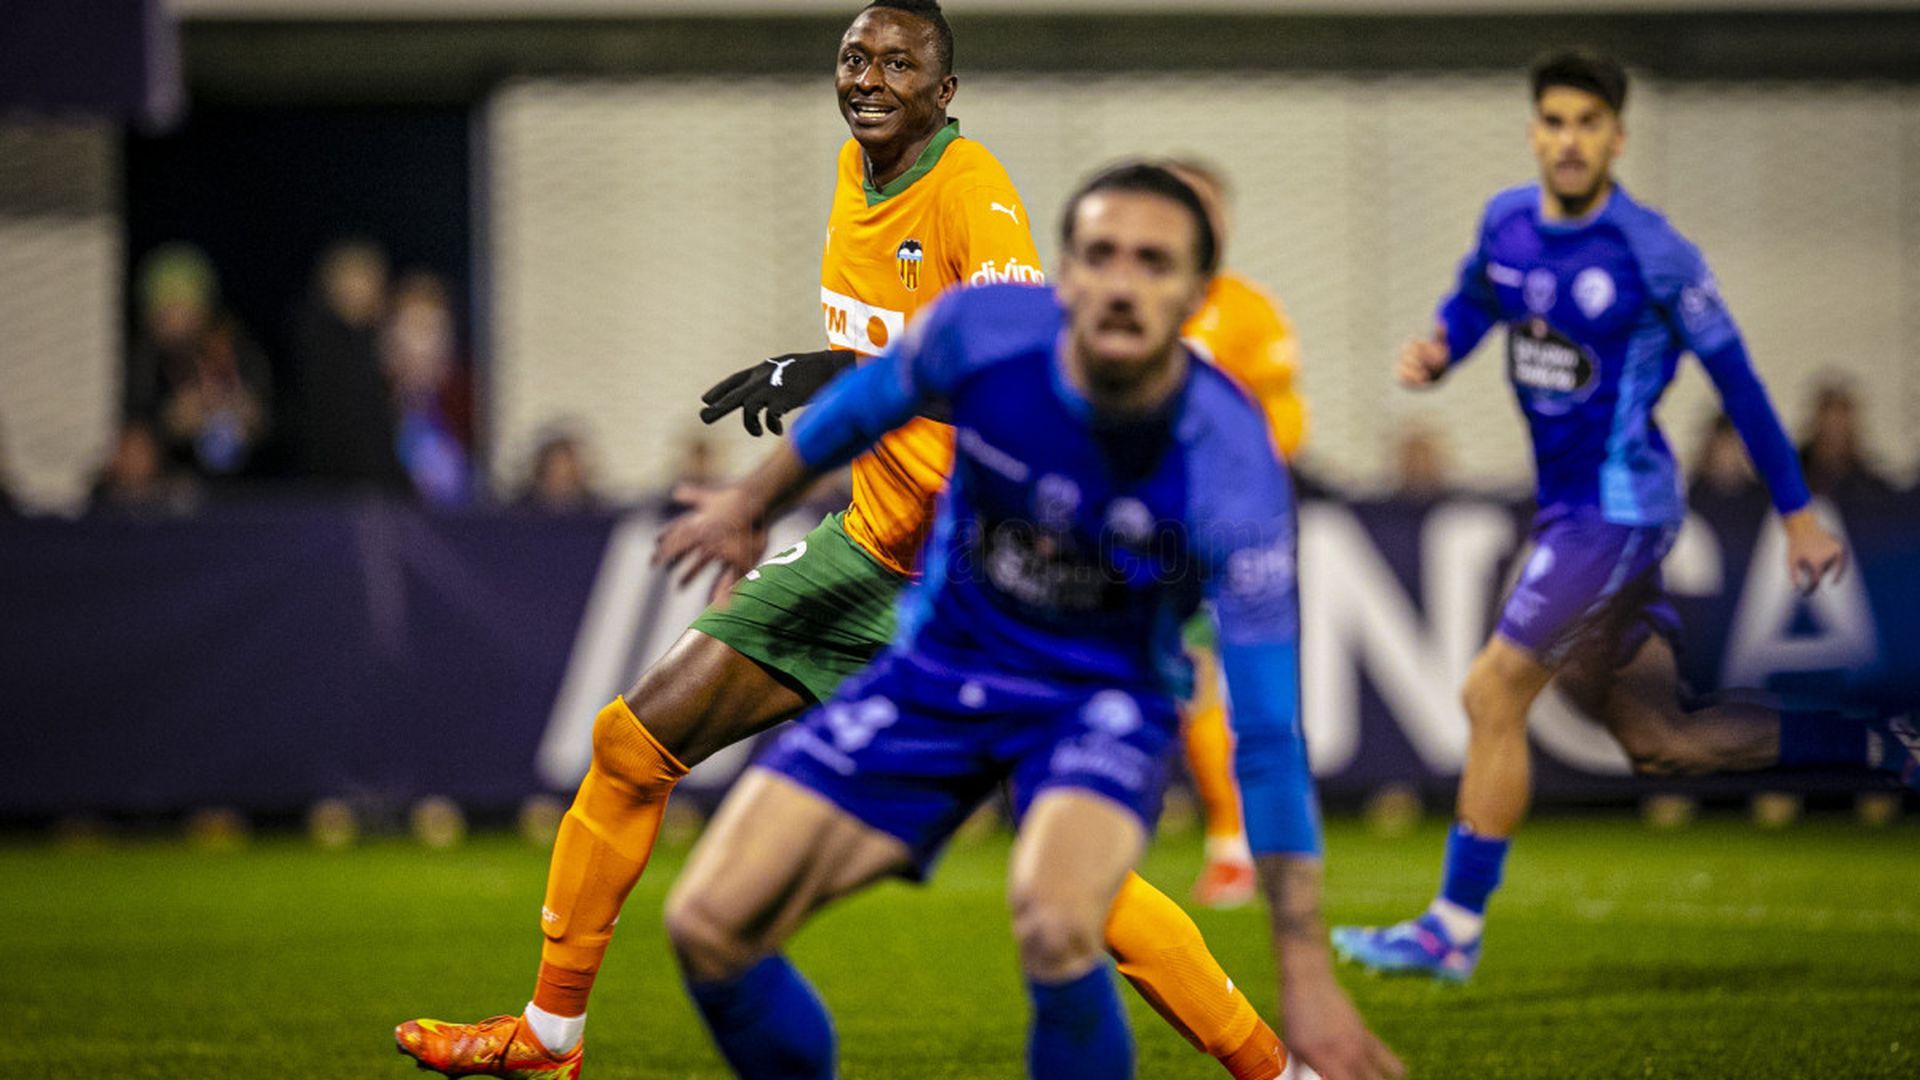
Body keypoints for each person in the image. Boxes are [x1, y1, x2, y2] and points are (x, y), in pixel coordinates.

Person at [396, 5, 1286, 1078]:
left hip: (968, 588)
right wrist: (776, 469)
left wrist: (831, 379)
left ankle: (1280, 1071)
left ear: (943, 92)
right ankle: (547, 1040)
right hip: (866, 549)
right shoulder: (853, 172)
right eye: (855, 57)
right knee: (633, 745)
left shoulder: (969, 195)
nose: (869, 77)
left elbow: (1017, 382)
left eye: (898, 63)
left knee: (1073, 889)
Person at [655, 161, 1401, 1080]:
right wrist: (748, 501)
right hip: (939, 669)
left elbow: (1270, 734)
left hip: (1100, 699)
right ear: (1065, 271)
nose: (1123, 283)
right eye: (1100, 255)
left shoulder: (1232, 460)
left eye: (1154, 263)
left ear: (1198, 295)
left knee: (1056, 922)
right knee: (708, 926)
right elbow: (864, 401)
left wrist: (1304, 966)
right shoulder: (984, 331)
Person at [1331, 48, 1917, 984]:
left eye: (1588, 124)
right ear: (1535, 131)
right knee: (1663, 741)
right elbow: (1478, 297)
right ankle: (1884, 748)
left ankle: (1451, 927)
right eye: (1555, 122)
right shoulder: (1506, 223)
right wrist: (1443, 350)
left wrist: (1800, 513)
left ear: (1617, 137)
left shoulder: (1654, 253)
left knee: (1491, 693)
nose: (1570, 140)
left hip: (1620, 512)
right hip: (1568, 512)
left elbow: (1743, 387)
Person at [1163, 159, 1309, 910]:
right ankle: (1236, 843)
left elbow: (1286, 419)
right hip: (1141, 523)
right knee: (1188, 682)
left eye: (1203, 205)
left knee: (1221, 678)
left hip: (1226, 523)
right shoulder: (1130, 303)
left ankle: (1241, 845)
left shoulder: (1247, 311)